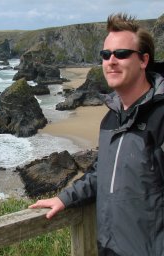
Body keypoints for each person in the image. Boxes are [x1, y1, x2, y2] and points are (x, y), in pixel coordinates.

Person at [29, 13, 164, 256]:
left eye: (121, 54)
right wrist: (65, 198)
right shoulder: (111, 119)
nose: (111, 61)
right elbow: (102, 172)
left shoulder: (160, 118)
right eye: (106, 54)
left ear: (144, 60)